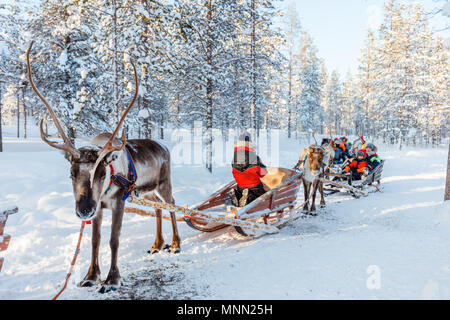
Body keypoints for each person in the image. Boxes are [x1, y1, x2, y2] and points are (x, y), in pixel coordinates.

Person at [229, 132, 268, 207]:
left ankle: (238, 195)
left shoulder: (234, 158)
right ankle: (248, 196)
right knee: (261, 196)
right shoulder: (254, 157)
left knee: (242, 190)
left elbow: (234, 172)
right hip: (254, 186)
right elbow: (263, 173)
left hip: (240, 186)